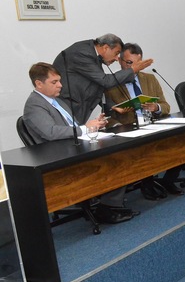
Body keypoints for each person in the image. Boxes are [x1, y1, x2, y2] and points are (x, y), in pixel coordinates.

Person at [22, 63, 138, 224]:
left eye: (59, 81)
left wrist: (94, 125)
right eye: (54, 82)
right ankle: (108, 208)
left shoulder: (57, 101)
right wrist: (85, 129)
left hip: (74, 146)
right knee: (115, 160)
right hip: (59, 154)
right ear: (39, 84)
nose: (60, 85)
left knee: (119, 151)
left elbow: (73, 126)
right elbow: (51, 132)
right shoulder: (34, 104)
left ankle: (111, 205)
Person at [104, 43, 185, 198]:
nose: (134, 67)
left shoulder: (150, 79)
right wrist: (119, 125)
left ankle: (168, 180)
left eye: (138, 63)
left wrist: (156, 107)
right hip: (128, 128)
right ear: (120, 61)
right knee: (142, 147)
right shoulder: (110, 84)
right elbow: (107, 115)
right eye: (129, 63)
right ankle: (147, 184)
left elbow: (165, 106)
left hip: (152, 124)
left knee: (181, 140)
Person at [53, 34, 153, 124]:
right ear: (106, 48)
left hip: (75, 108)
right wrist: (133, 69)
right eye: (116, 53)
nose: (116, 58)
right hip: (66, 107)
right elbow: (105, 81)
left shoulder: (92, 54)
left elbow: (97, 86)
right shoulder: (83, 53)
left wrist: (113, 106)